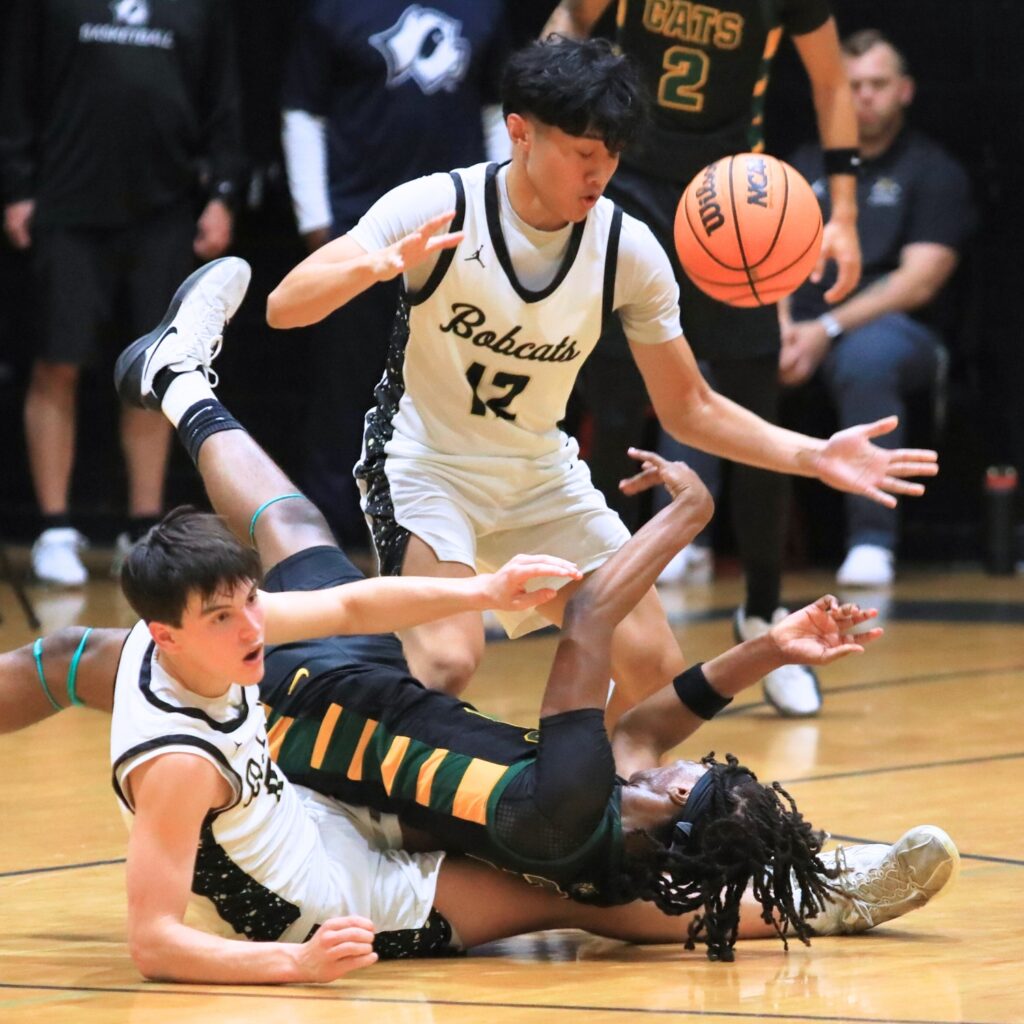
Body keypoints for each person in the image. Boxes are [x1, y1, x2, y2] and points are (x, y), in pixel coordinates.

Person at [0, 257, 956, 975]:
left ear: (663, 810)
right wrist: (770, 647)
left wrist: (690, 511)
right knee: (601, 900)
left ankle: (816, 887)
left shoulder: (587, 803)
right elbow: (662, 719)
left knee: (85, 651)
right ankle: (176, 374)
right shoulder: (617, 814)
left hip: (324, 752)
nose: (675, 766)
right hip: (357, 729)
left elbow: (590, 628)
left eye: (683, 784)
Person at [265, 36, 936, 722]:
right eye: (584, 153)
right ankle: (338, 736)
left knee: (655, 679)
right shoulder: (441, 206)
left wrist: (812, 454)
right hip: (426, 466)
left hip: (538, 477)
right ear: (521, 134)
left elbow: (691, 407)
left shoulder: (628, 247)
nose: (600, 173)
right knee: (446, 661)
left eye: (611, 156)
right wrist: (372, 267)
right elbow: (284, 309)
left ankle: (589, 814)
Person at [547, 0, 862, 718]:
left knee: (754, 407)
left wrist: (842, 212)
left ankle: (760, 609)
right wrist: (543, 106)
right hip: (627, 177)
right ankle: (606, 614)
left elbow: (832, 83)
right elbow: (570, 13)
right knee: (619, 406)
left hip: (733, 193)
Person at [0, 0, 243, 586]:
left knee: (159, 369)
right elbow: (15, 91)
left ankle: (144, 530)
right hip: (67, 199)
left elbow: (223, 100)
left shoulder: (200, 11)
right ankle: (55, 527)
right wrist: (16, 185)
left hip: (165, 209)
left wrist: (223, 194)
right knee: (58, 361)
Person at [280, 0, 508, 552]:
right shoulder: (333, 12)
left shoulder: (486, 10)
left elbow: (498, 113)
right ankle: (328, 536)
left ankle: (440, 530)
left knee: (451, 385)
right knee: (344, 388)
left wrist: (502, 212)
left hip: (458, 233)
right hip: (360, 228)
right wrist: (317, 224)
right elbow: (302, 112)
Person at [780, 30, 975, 587]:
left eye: (877, 84)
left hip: (895, 329)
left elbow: (920, 281)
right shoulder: (802, 163)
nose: (864, 95)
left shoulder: (932, 169)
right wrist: (783, 325)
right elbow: (760, 258)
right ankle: (686, 539)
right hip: (801, 323)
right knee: (721, 353)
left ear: (905, 90)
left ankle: (872, 542)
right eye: (852, 85)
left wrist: (826, 327)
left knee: (868, 358)